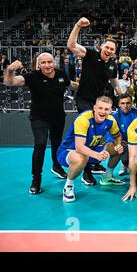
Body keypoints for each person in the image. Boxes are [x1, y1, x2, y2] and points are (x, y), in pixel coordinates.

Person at [3, 54, 78, 194]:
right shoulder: (32, 76)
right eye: (43, 63)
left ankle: (57, 166)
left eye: (49, 62)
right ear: (39, 65)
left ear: (54, 62)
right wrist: (10, 69)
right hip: (39, 118)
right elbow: (9, 82)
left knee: (57, 144)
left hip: (58, 117)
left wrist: (86, 88)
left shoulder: (61, 75)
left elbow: (71, 84)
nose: (47, 65)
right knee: (41, 144)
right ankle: (36, 179)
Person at [67, 17, 124, 183]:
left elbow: (114, 81)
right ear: (101, 47)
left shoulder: (113, 64)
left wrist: (121, 95)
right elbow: (71, 45)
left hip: (99, 104)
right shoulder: (90, 54)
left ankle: (93, 162)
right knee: (88, 133)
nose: (109, 50)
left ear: (114, 52)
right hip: (84, 100)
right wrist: (77, 25)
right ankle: (86, 172)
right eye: (107, 47)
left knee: (98, 134)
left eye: (112, 49)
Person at [58, 96, 125, 202]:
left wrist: (118, 144)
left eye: (106, 109)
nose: (103, 112)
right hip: (69, 151)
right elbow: (79, 147)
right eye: (100, 108)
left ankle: (107, 177)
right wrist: (97, 155)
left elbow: (117, 136)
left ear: (111, 110)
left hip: (93, 151)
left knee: (119, 149)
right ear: (94, 108)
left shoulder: (111, 121)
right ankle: (68, 186)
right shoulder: (84, 119)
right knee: (81, 158)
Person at [106, 94, 137, 177]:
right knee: (114, 149)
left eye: (128, 103)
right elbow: (110, 136)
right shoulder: (113, 117)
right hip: (122, 144)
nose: (125, 106)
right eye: (123, 103)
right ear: (119, 104)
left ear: (132, 104)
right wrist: (118, 144)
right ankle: (108, 175)